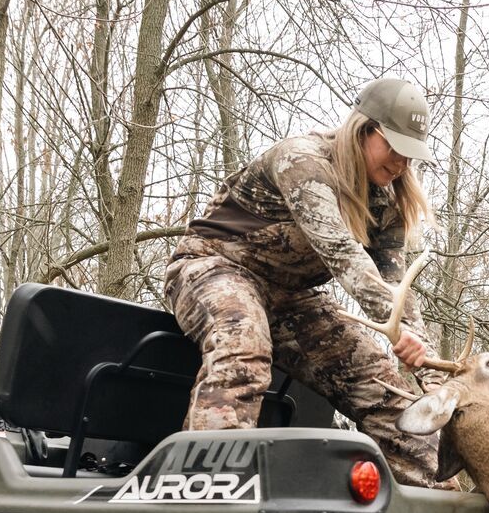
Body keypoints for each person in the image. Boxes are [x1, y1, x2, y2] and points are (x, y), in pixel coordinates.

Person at [164, 78, 444, 485]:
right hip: (213, 268)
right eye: (394, 148)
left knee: (380, 382)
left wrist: (431, 374)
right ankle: (204, 484)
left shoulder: (388, 203)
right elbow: (343, 255)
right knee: (243, 344)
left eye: (410, 155)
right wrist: (397, 324)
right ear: (364, 130)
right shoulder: (303, 162)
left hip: (291, 298)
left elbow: (394, 284)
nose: (401, 163)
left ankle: (441, 506)